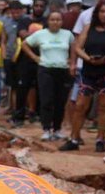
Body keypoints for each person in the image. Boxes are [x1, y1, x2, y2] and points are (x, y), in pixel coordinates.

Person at [64, 0, 105, 152]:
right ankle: (74, 138)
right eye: (102, 12)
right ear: (97, 13)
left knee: (104, 106)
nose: (104, 15)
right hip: (89, 71)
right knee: (80, 105)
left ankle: (101, 139)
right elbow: (77, 47)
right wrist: (87, 58)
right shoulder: (88, 27)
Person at [22, 11, 74, 141]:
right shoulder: (41, 34)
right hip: (45, 69)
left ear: (62, 22)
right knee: (46, 99)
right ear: (48, 21)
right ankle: (46, 128)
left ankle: (57, 129)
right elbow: (24, 44)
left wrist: (72, 62)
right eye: (52, 20)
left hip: (62, 70)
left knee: (60, 101)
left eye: (58, 20)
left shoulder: (67, 34)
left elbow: (74, 47)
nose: (55, 22)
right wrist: (35, 57)